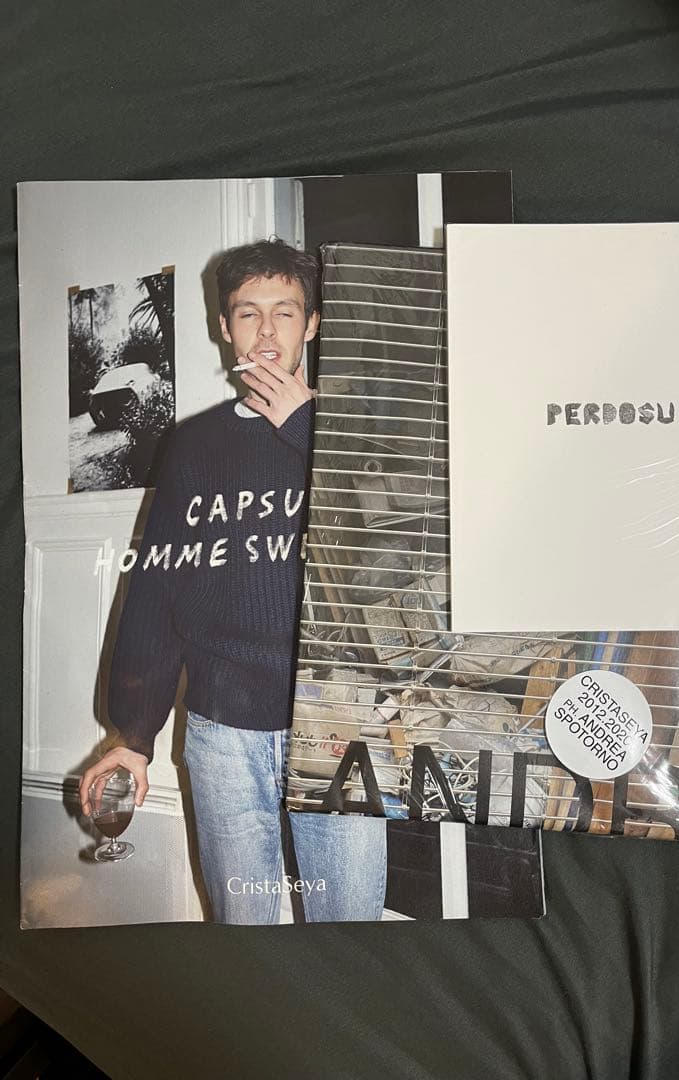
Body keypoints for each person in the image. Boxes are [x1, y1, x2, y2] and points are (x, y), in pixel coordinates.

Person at [78, 238, 387, 924]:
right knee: (242, 932)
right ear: (225, 327)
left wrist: (307, 428)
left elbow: (389, 556)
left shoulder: (354, 435)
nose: (267, 332)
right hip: (221, 730)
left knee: (349, 932)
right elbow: (158, 591)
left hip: (336, 725)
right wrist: (134, 733)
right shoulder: (192, 445)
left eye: (286, 312)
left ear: (312, 324)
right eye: (249, 313)